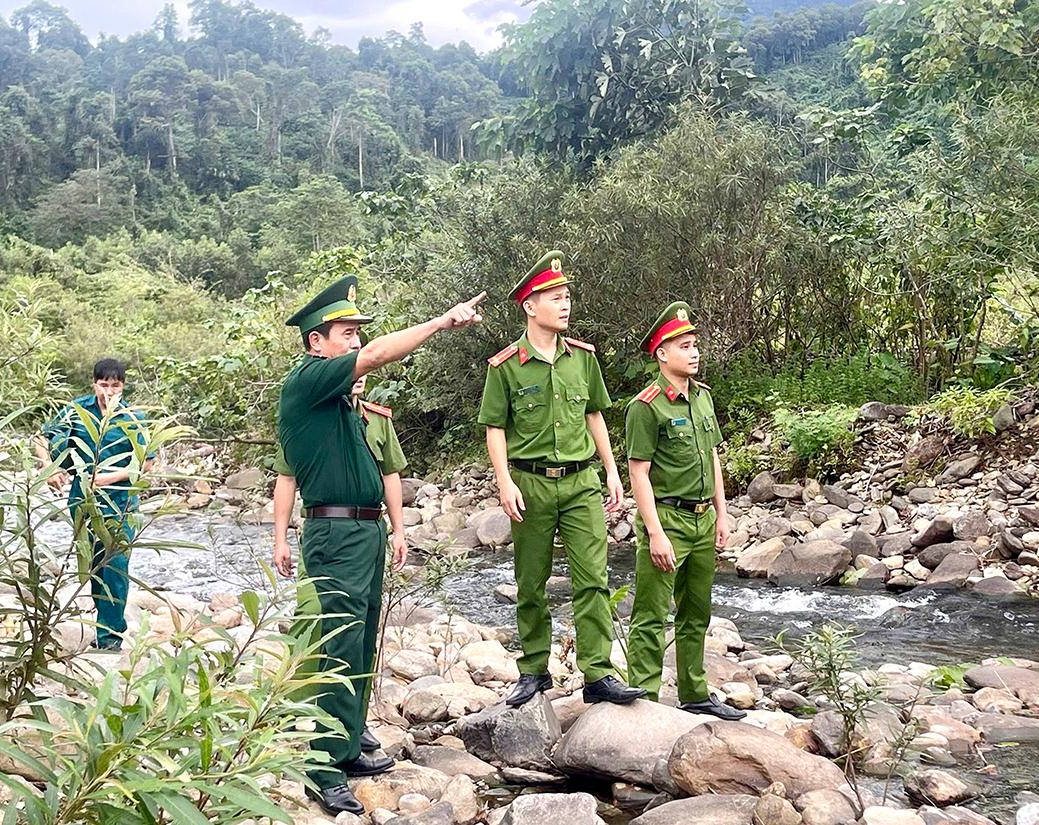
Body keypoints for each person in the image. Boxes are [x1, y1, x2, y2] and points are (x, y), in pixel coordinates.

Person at [277, 273, 483, 817]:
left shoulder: (343, 405)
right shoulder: (307, 382)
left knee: (362, 641)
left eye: (357, 332)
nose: (356, 342)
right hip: (335, 534)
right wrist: (441, 321)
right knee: (337, 647)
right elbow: (378, 358)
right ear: (315, 343)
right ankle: (322, 770)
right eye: (346, 332)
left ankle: (346, 743)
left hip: (363, 533)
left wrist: (392, 528)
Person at [478, 249, 645, 708]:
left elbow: (594, 414)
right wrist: (504, 481)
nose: (566, 303)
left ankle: (598, 674)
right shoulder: (506, 365)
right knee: (531, 581)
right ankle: (533, 670)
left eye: (568, 295)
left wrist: (611, 471)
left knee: (593, 577)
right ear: (531, 306)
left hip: (581, 482)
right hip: (529, 483)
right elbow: (495, 428)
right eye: (555, 296)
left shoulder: (583, 359)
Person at [271, 373, 407, 757]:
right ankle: (324, 748)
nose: (358, 378)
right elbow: (287, 478)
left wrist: (399, 530)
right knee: (332, 633)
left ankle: (352, 727)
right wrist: (280, 538)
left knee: (363, 633)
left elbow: (390, 474)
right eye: (351, 370)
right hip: (330, 527)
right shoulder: (311, 415)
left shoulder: (376, 418)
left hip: (370, 527)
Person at [624, 302, 743, 720]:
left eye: (695, 345)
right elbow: (638, 473)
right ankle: (644, 700)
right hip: (668, 519)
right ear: (661, 353)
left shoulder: (704, 399)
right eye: (684, 346)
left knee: (696, 611)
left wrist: (722, 513)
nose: (694, 353)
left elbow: (712, 457)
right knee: (651, 614)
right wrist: (654, 531)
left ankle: (694, 692)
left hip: (703, 518)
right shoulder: (647, 406)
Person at [34, 357, 154, 653]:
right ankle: (103, 625)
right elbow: (40, 438)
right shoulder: (77, 411)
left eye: (115, 385)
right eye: (104, 385)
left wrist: (108, 477)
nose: (109, 391)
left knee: (116, 563)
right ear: (94, 384)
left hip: (121, 500)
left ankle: (111, 636)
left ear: (123, 386)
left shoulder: (132, 418)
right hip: (83, 497)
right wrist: (50, 467)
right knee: (92, 564)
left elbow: (146, 463)